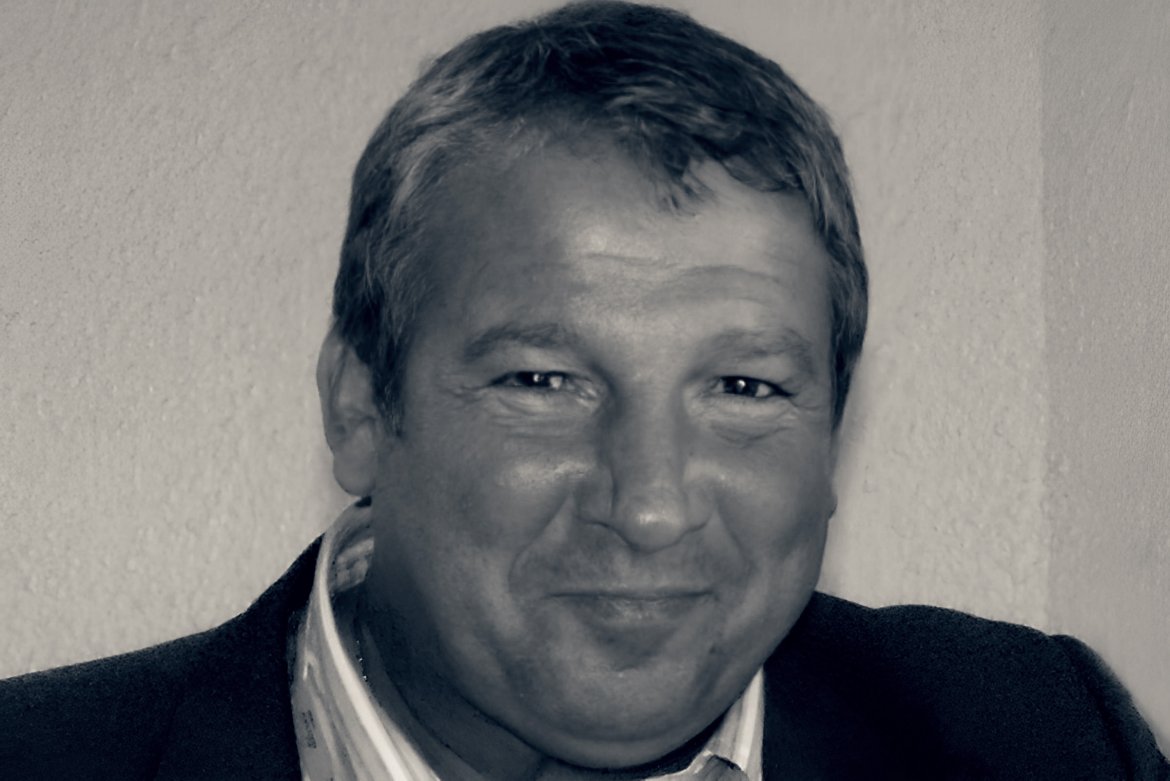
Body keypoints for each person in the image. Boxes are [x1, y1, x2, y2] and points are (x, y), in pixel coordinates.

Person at [1, 2, 1166, 779]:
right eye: (544, 379)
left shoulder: (1046, 740)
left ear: (832, 434)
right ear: (358, 406)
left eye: (745, 386)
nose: (651, 505)